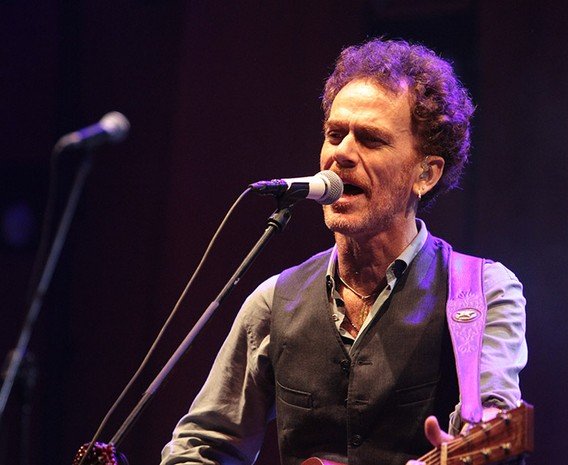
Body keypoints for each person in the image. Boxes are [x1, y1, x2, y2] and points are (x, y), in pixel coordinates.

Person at [160, 38, 527, 465]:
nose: (341, 154)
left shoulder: (480, 292)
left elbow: (494, 422)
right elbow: (202, 447)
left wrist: (478, 437)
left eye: (370, 140)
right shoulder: (273, 302)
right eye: (335, 135)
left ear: (425, 174)